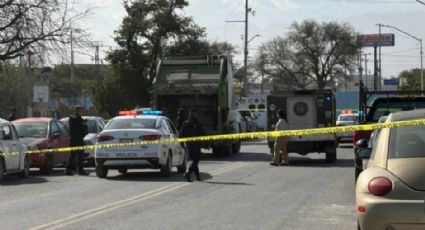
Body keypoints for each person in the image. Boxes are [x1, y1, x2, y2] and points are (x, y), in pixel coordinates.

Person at [179, 108, 204, 182]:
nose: (197, 115)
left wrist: (182, 144)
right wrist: (206, 143)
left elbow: (181, 134)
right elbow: (202, 134)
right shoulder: (197, 123)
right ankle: (188, 173)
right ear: (194, 114)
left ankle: (197, 176)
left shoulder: (185, 123)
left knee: (194, 160)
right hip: (196, 144)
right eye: (196, 113)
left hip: (189, 144)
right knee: (196, 159)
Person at [66, 106, 88, 175]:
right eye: (79, 111)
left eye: (81, 111)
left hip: (76, 139)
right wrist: (83, 124)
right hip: (76, 139)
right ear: (76, 111)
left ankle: (76, 170)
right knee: (76, 156)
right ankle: (72, 170)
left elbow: (83, 130)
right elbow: (81, 130)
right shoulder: (76, 119)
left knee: (77, 156)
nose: (81, 112)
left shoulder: (74, 119)